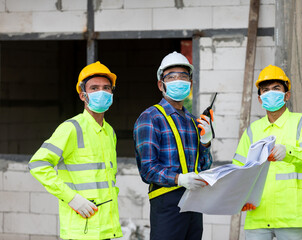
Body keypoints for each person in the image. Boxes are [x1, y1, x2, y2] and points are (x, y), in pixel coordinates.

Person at [28, 61, 122, 240]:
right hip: (81, 228)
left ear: (112, 93)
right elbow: (38, 164)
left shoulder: (109, 132)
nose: (101, 92)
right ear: (82, 95)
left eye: (106, 88)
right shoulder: (71, 128)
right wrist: (72, 198)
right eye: (94, 88)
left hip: (105, 228)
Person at [233, 65, 302, 240]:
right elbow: (238, 170)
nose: (270, 93)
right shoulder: (253, 130)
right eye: (265, 90)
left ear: (286, 95)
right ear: (260, 99)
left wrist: (288, 152)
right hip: (257, 215)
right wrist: (241, 197)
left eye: (276, 88)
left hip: (291, 218)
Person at [133, 51, 213, 240]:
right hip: (167, 203)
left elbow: (204, 167)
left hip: (194, 202)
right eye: (172, 77)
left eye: (184, 76)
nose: (179, 80)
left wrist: (206, 141)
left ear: (190, 83)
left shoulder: (194, 121)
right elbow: (147, 170)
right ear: (161, 84)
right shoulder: (150, 118)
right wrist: (179, 179)